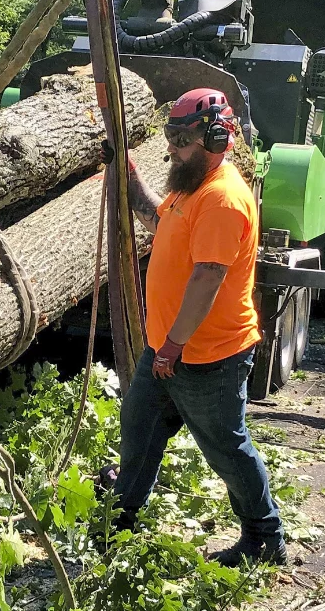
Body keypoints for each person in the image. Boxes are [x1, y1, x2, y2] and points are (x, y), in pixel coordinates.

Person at [98, 87, 287, 567]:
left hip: (206, 355)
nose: (172, 147)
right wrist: (123, 166)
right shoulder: (190, 186)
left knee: (225, 447)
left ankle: (265, 537)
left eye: (182, 137)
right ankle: (120, 520)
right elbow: (150, 215)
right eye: (171, 135)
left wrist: (173, 345)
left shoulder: (223, 198)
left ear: (218, 137)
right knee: (139, 428)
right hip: (168, 350)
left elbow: (208, 277)